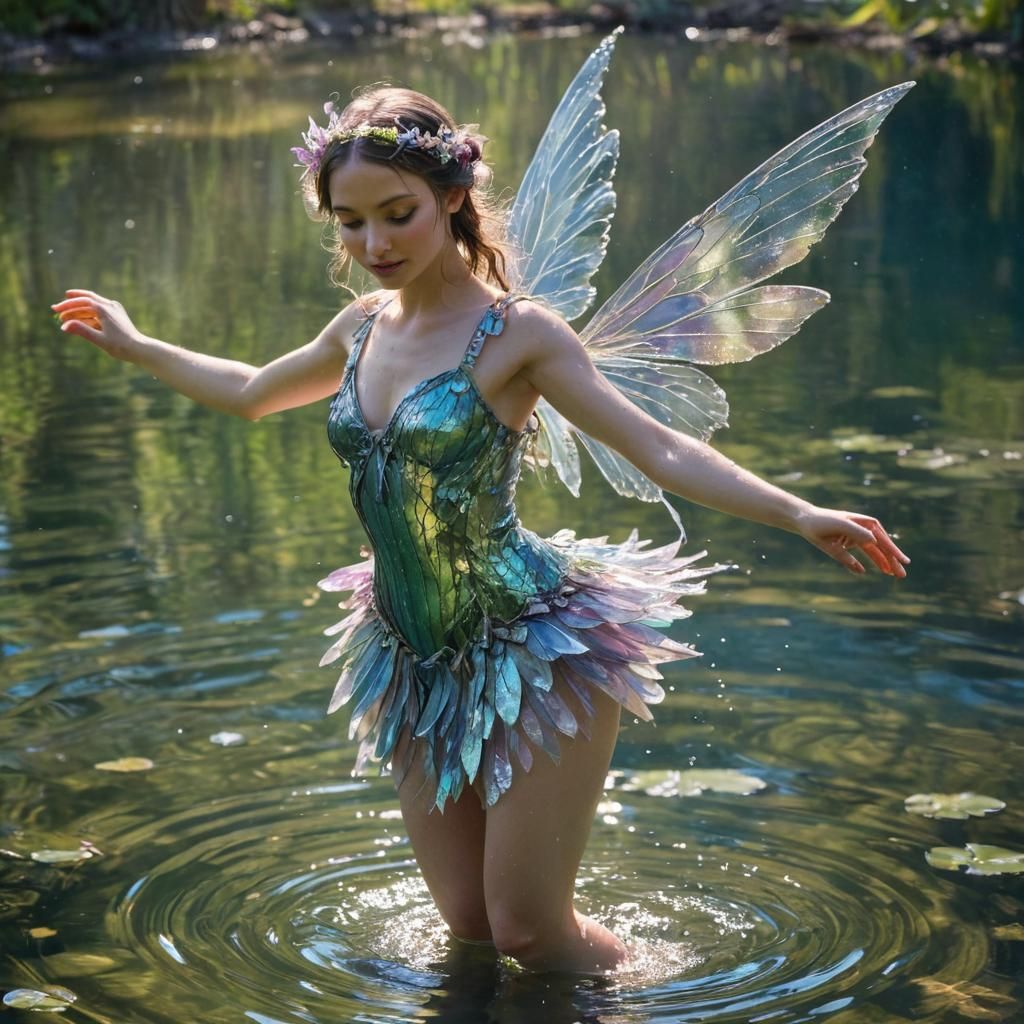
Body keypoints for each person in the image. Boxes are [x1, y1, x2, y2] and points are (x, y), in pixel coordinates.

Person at [52, 81, 909, 976]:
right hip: (408, 652)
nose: (374, 244)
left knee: (529, 932)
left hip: (535, 647)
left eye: (397, 214)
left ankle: (636, 1000)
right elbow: (249, 392)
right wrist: (139, 344)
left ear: (453, 197)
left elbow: (659, 448)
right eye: (350, 222)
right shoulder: (356, 330)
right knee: (467, 923)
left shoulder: (519, 335)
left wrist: (798, 510)